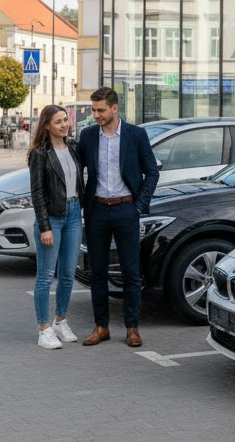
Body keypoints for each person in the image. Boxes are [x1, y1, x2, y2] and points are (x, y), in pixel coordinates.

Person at [78, 86, 159, 348]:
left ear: (115, 108)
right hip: (97, 210)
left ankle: (132, 328)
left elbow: (152, 172)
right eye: (93, 110)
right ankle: (101, 326)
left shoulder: (136, 134)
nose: (96, 115)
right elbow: (77, 168)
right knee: (98, 271)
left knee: (130, 272)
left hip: (126, 209)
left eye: (101, 110)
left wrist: (139, 206)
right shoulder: (88, 135)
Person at [28, 105, 85, 350]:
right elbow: (37, 193)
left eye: (65, 120)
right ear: (47, 126)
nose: (64, 125)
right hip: (52, 218)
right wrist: (44, 227)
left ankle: (60, 320)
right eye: (58, 122)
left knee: (68, 273)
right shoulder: (40, 153)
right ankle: (43, 329)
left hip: (73, 215)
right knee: (45, 276)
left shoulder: (73, 147)